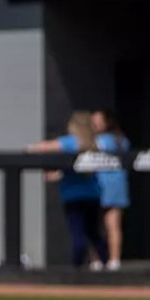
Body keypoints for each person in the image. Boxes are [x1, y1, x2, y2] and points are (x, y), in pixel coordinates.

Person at [28, 112, 107, 269]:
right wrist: (59, 173)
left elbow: (43, 147)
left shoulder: (71, 142)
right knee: (93, 233)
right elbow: (78, 168)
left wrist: (29, 149)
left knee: (78, 235)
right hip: (92, 195)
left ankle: (76, 269)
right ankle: (107, 263)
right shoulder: (97, 143)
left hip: (73, 196)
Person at [91, 109, 129, 272]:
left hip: (102, 185)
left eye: (98, 121)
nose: (94, 124)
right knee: (111, 226)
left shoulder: (99, 141)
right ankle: (113, 260)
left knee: (102, 226)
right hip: (116, 186)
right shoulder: (122, 141)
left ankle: (100, 260)